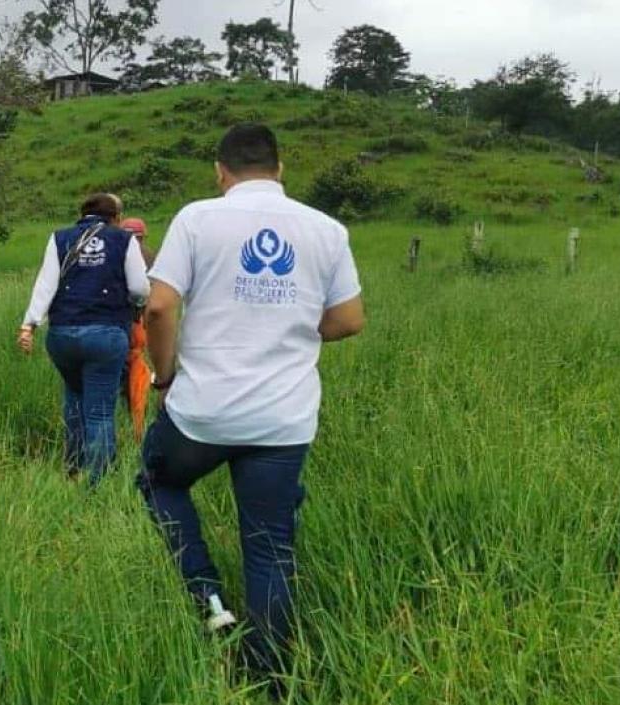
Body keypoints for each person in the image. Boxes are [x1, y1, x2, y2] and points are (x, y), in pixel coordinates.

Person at [137, 124, 366, 689]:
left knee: (158, 480)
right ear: (280, 169)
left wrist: (165, 376)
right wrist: (285, 323)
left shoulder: (198, 218)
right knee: (269, 546)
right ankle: (268, 679)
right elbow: (349, 320)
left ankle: (208, 598)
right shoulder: (326, 230)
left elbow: (160, 308)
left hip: (202, 413)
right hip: (283, 420)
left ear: (221, 172)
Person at [18, 194, 150, 486]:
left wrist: (29, 324)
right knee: (100, 411)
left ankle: (73, 471)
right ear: (116, 217)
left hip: (62, 336)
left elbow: (46, 284)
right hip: (106, 335)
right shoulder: (123, 240)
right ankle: (98, 482)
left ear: (83, 215)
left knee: (75, 400)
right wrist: (132, 302)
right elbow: (141, 287)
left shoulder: (60, 238)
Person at [119, 217, 155, 442]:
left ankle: (128, 420)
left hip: (118, 322)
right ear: (144, 235)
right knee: (138, 371)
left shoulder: (117, 251)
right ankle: (138, 426)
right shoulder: (151, 256)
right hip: (143, 323)